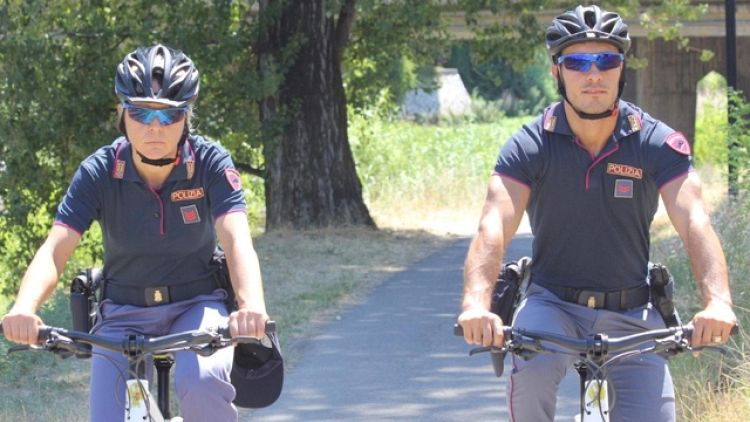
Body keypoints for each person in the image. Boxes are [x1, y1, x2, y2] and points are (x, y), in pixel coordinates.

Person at [457, 5, 737, 422]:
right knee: (530, 384)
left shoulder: (655, 143)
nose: (594, 74)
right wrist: (476, 304)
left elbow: (695, 219)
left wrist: (718, 302)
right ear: (557, 72)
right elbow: (494, 223)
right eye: (578, 62)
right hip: (551, 305)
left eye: (606, 60)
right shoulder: (530, 145)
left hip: (633, 310)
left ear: (621, 69)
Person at [1, 44, 269, 421]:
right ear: (121, 114)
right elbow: (54, 250)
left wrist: (251, 307)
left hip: (197, 305)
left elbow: (237, 240)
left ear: (187, 117)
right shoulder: (99, 171)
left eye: (170, 115)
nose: (154, 127)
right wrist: (24, 309)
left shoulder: (209, 163)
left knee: (203, 384)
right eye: (140, 113)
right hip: (122, 313)